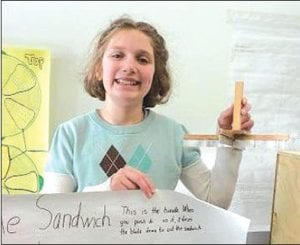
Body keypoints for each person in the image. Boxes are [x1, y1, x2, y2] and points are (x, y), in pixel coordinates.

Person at [41, 17, 254, 209]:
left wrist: (229, 141)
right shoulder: (71, 134)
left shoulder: (175, 135)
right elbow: (49, 212)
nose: (129, 66)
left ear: (155, 74)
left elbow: (216, 201)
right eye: (117, 55)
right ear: (98, 69)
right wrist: (107, 189)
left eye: (142, 59)